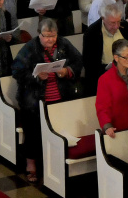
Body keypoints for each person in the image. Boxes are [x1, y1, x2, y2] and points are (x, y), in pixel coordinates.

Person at [12, 19, 83, 182]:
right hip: (34, 100)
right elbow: (16, 70)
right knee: (33, 132)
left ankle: (54, 165)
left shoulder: (64, 44)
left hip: (61, 96)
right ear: (39, 34)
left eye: (53, 36)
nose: (50, 40)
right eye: (46, 36)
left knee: (59, 132)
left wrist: (67, 71)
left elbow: (78, 61)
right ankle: (31, 164)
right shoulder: (30, 47)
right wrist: (35, 76)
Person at [95, 38, 128, 138]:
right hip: (118, 131)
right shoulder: (105, 79)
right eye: (126, 57)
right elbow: (102, 108)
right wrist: (107, 126)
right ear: (116, 58)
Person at [83, 4, 128, 94]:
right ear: (103, 18)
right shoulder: (92, 32)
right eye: (112, 23)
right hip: (102, 78)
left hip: (125, 76)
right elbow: (89, 64)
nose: (116, 26)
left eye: (118, 21)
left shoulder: (125, 28)